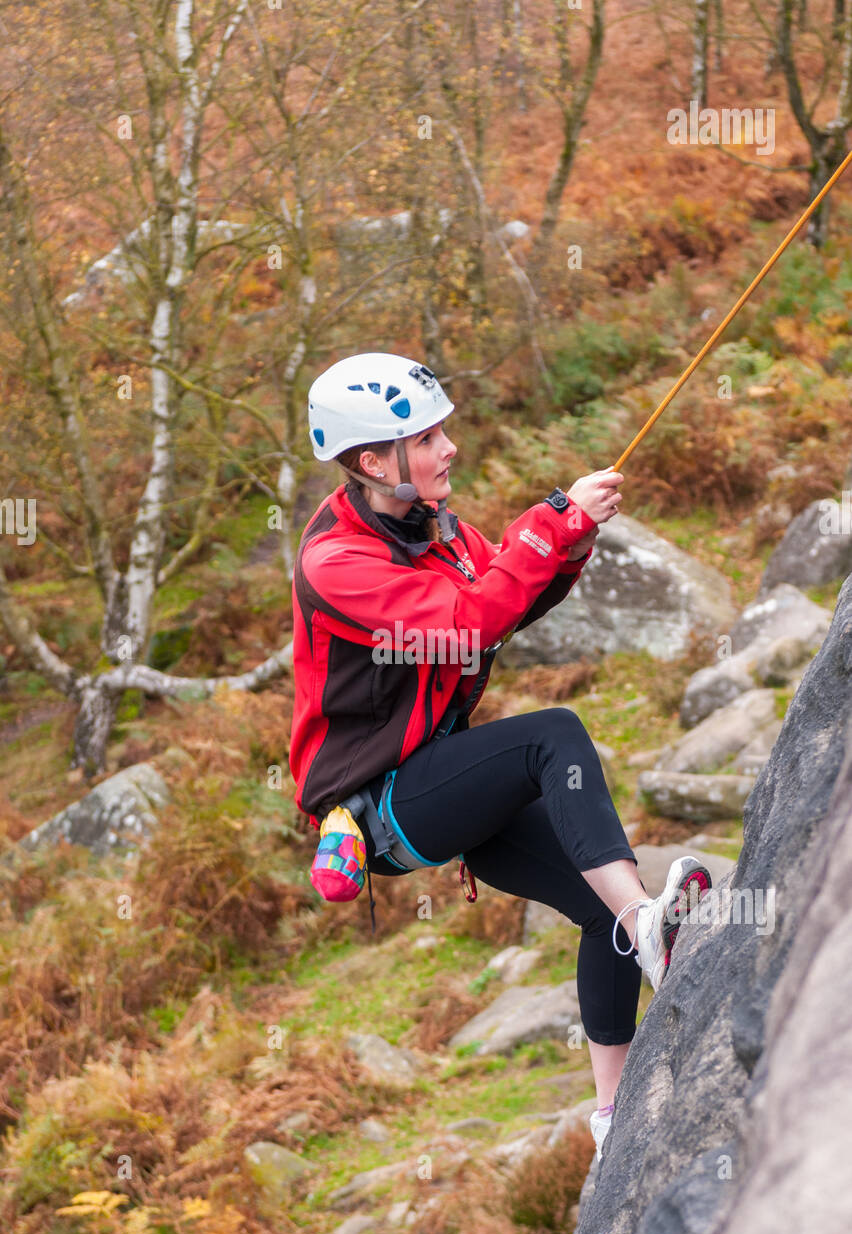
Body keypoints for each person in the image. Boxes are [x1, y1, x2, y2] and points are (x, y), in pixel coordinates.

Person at [289, 352, 711, 1163]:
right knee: (551, 735)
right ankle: (649, 925)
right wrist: (553, 518)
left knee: (596, 912)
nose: (449, 447)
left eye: (444, 429)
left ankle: (612, 1118)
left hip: (434, 773)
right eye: (427, 436)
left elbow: (506, 594)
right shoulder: (335, 563)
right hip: (378, 807)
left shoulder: (434, 528)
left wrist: (572, 536)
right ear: (375, 462)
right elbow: (466, 624)